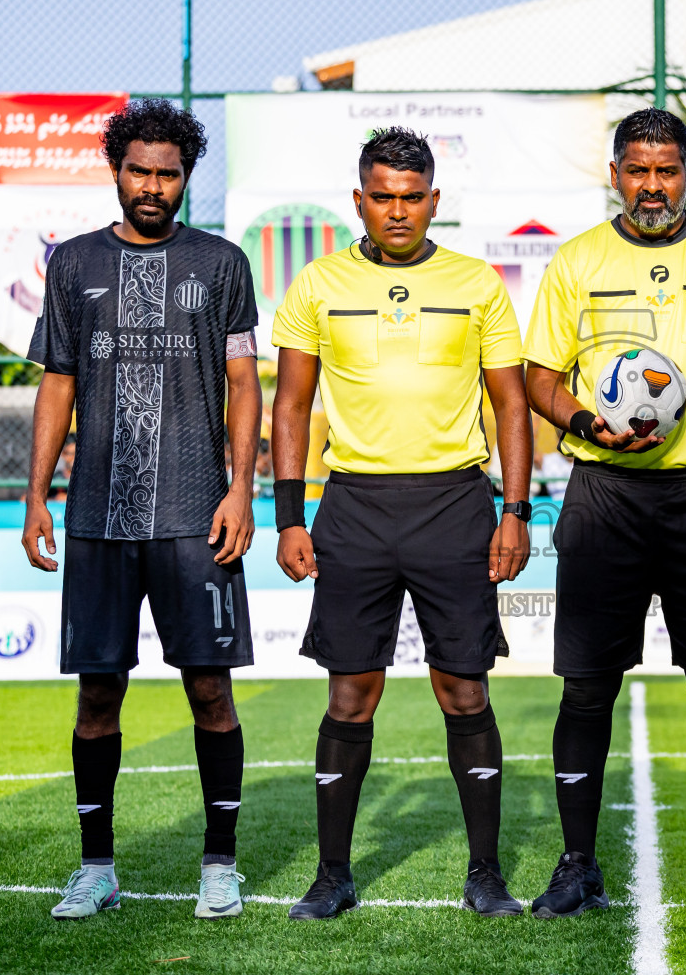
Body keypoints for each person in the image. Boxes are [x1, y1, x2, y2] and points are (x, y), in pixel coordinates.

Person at [522, 108, 686, 919]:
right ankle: (576, 865)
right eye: (636, 170)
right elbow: (539, 376)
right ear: (615, 175)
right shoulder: (578, 260)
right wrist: (578, 421)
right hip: (605, 494)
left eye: (666, 170)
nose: (651, 186)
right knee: (586, 689)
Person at [270, 127, 532, 920]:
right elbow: (289, 404)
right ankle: (333, 875)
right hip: (353, 506)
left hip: (455, 503)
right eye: (382, 196)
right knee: (352, 694)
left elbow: (510, 402)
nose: (397, 210)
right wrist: (289, 516)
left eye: (411, 197)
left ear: (434, 202)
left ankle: (485, 873)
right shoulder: (317, 283)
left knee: (463, 689)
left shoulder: (477, 282)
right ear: (359, 199)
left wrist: (514, 512)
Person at [22, 99, 262, 922]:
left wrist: (242, 486)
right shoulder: (72, 264)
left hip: (197, 514)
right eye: (140, 171)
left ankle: (220, 865)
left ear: (186, 176)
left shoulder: (223, 263)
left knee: (210, 693)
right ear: (116, 171)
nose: (153, 186)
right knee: (98, 697)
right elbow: (57, 381)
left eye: (168, 173)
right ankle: (96, 868)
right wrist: (36, 494)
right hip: (96, 518)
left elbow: (241, 382)